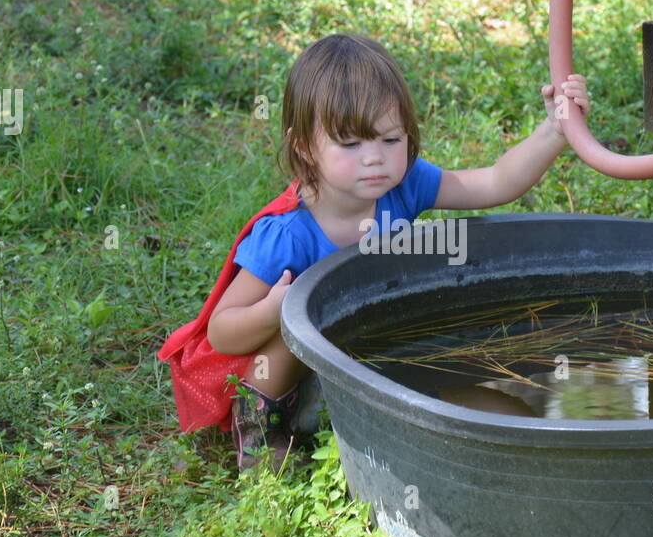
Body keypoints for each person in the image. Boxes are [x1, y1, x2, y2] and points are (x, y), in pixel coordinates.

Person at [157, 33, 588, 471]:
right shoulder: (288, 234)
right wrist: (273, 310)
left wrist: (554, 129)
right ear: (305, 146)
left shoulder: (403, 188)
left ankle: (406, 421)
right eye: (350, 144)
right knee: (291, 324)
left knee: (484, 398)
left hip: (372, 368)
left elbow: (496, 182)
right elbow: (221, 332)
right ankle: (262, 434)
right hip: (301, 377)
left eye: (389, 139)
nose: (374, 159)